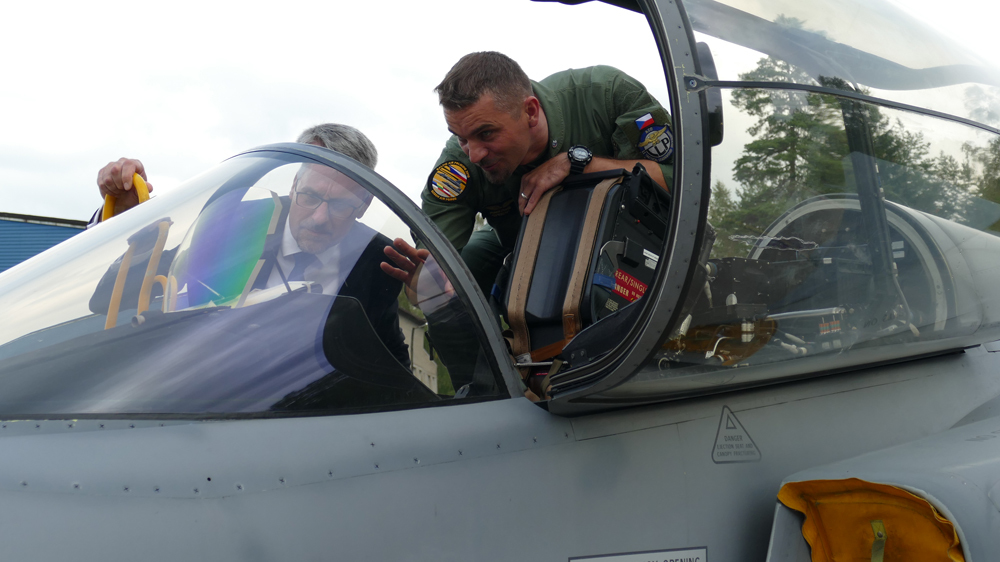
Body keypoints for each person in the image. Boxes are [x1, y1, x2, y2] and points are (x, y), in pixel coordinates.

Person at [90, 124, 410, 367]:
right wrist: (130, 219)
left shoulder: (380, 260)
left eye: (341, 205)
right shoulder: (234, 223)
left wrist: (439, 304)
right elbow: (112, 298)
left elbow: (388, 355)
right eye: (310, 196)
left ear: (365, 205)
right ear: (295, 183)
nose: (319, 218)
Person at [414, 51, 675, 296]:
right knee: (471, 260)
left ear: (530, 111)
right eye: (462, 139)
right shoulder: (457, 169)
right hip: (530, 261)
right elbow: (426, 276)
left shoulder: (606, 94)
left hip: (640, 255)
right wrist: (425, 286)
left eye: (486, 134)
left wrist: (579, 163)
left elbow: (684, 184)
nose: (474, 155)